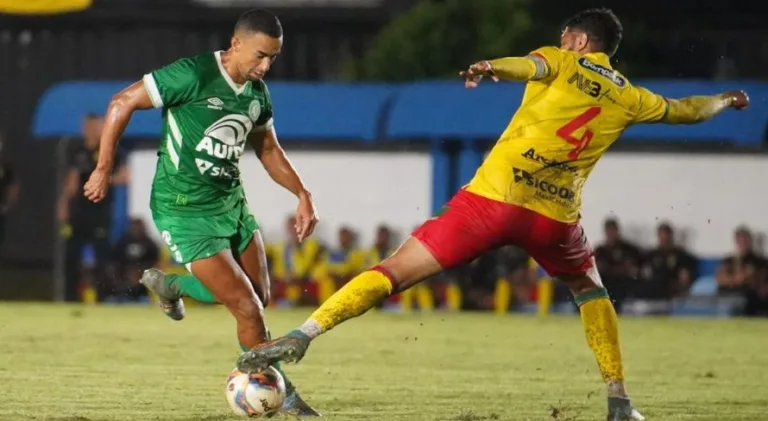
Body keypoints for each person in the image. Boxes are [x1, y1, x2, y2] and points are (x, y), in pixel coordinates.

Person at [236, 8, 749, 421]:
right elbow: (688, 110)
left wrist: (489, 66)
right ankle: (618, 399)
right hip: (554, 218)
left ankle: (304, 334)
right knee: (591, 293)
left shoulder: (563, 60)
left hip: (494, 200)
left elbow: (530, 67)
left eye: (565, 38)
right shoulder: (632, 96)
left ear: (576, 40)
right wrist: (727, 98)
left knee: (393, 272)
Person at [81, 9, 320, 416]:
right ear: (236, 43)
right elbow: (121, 102)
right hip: (184, 210)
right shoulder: (193, 74)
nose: (265, 66)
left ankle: (172, 287)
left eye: (273, 59)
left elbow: (268, 150)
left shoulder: (257, 94)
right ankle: (283, 397)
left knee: (259, 297)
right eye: (260, 55)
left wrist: (302, 193)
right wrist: (103, 168)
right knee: (247, 308)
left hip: (231, 205)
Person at [58, 113, 128, 301]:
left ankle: (101, 297)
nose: (91, 130)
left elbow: (125, 177)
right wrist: (64, 205)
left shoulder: (111, 149)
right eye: (88, 126)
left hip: (100, 213)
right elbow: (71, 182)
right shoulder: (77, 150)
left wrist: (104, 180)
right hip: (78, 212)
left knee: (101, 259)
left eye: (95, 126)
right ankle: (70, 298)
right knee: (71, 256)